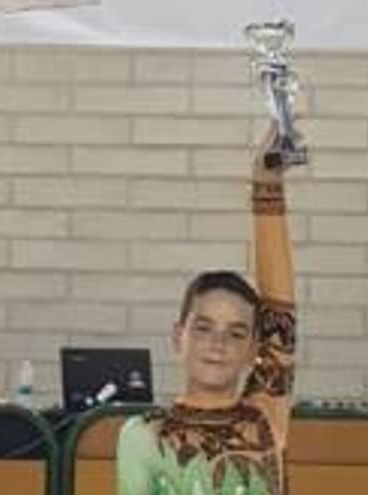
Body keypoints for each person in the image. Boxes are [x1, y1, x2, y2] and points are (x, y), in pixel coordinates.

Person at [116, 124, 297, 495]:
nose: (218, 343)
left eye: (236, 333)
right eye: (203, 328)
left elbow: (281, 309)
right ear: (177, 335)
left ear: (253, 348)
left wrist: (266, 185)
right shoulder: (143, 435)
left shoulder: (264, 418)